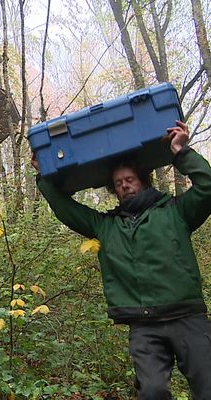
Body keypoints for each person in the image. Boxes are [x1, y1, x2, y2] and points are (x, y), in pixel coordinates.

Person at [32, 121, 211, 399]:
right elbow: (66, 209)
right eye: (118, 183)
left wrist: (181, 152)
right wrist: (44, 176)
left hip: (187, 317)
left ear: (143, 180)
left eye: (130, 180)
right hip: (144, 324)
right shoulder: (107, 226)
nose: (125, 186)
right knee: (151, 393)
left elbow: (207, 187)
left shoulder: (175, 213)